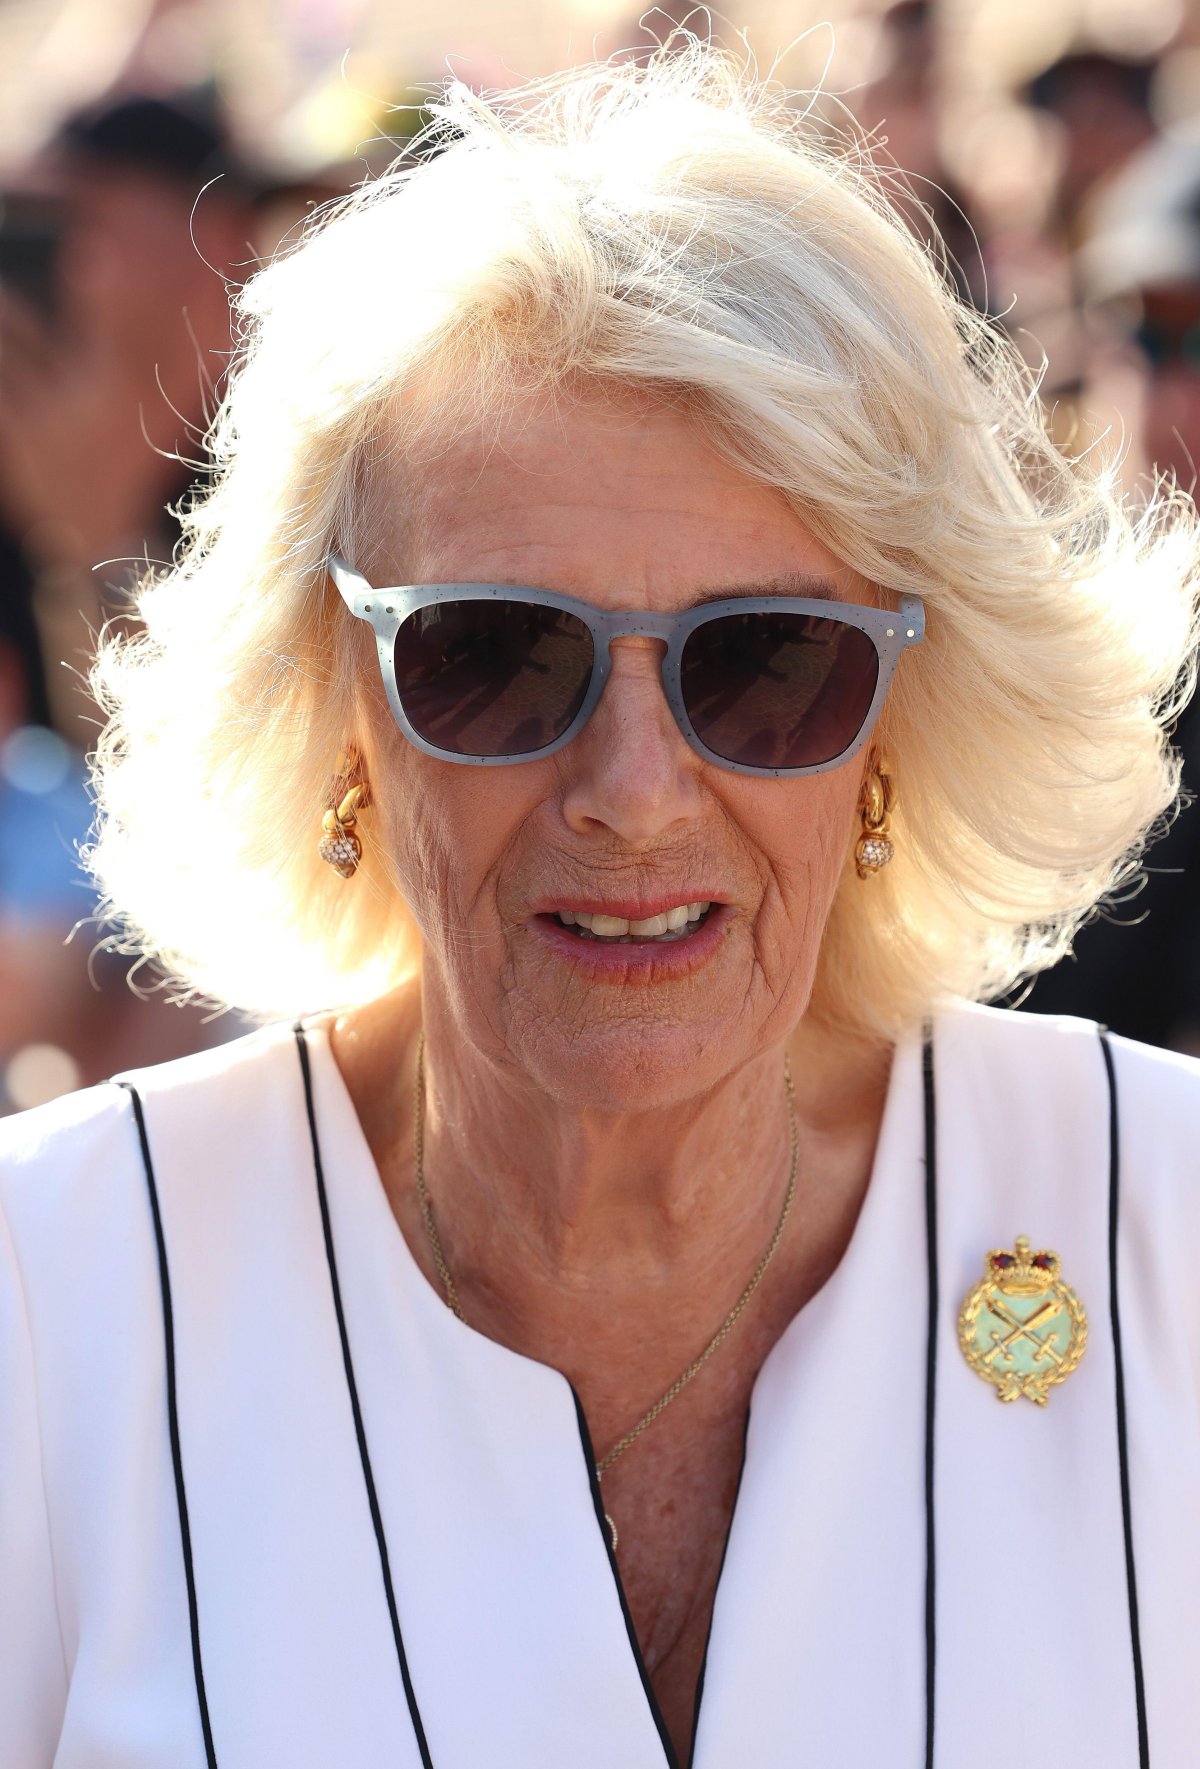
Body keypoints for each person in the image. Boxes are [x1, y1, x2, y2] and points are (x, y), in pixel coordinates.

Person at [1, 47, 1198, 1769]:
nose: (634, 790)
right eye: (494, 655)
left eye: (768, 664)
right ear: (335, 710)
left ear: (897, 733)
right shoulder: (55, 1305)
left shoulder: (1165, 1235)